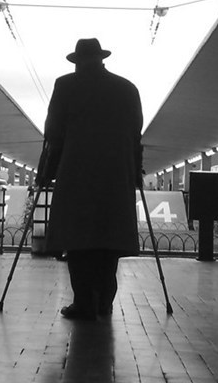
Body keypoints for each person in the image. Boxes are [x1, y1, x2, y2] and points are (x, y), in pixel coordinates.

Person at [36, 38, 143, 321]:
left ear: (78, 61)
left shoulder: (66, 85)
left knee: (78, 238)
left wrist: (46, 171)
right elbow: (136, 134)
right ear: (101, 59)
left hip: (77, 173)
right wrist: (136, 172)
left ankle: (84, 302)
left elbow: (53, 132)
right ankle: (104, 301)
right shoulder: (127, 88)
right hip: (116, 175)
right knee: (109, 237)